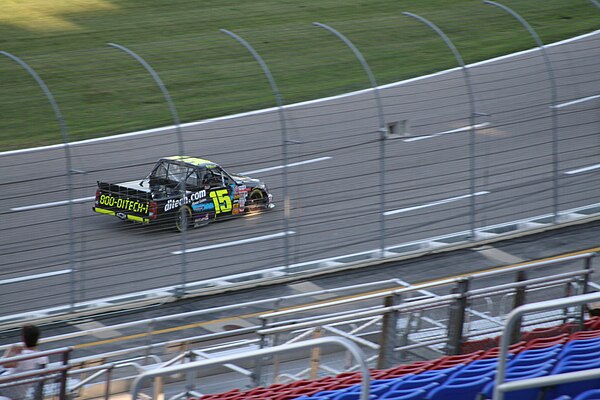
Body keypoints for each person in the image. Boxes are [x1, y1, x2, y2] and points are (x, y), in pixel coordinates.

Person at [0, 324, 49, 400]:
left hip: (6, 389)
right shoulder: (43, 357)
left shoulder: (21, 355)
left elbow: (5, 364)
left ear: (23, 338)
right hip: (22, 390)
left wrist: (11, 349)